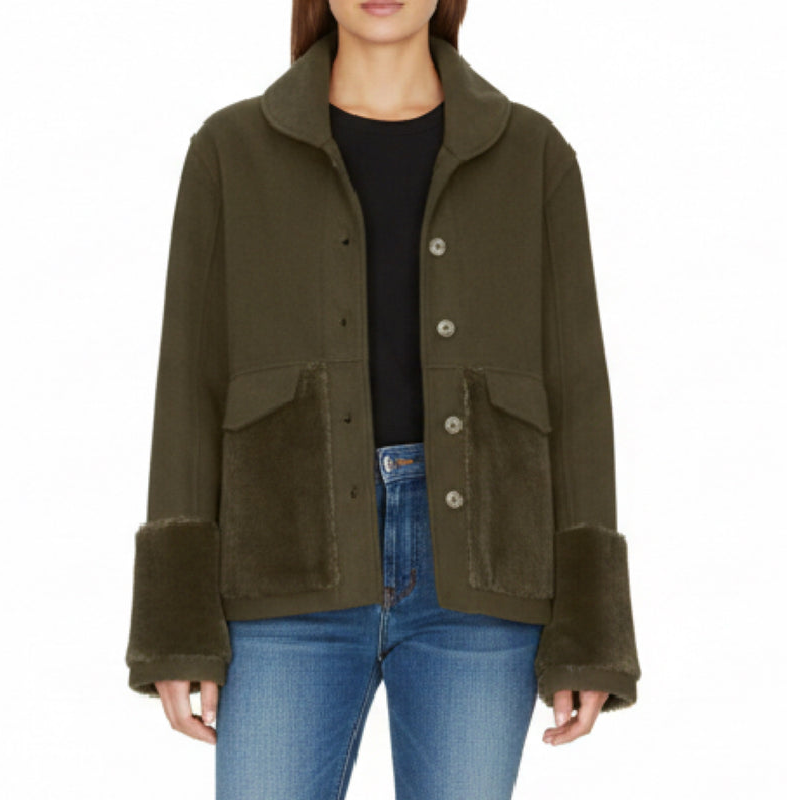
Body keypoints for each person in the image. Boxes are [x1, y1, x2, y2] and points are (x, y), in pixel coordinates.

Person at [124, 1, 642, 797]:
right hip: (282, 566)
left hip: (481, 573)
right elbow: (189, 384)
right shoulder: (230, 149)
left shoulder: (533, 153)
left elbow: (577, 390)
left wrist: (591, 632)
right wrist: (176, 624)